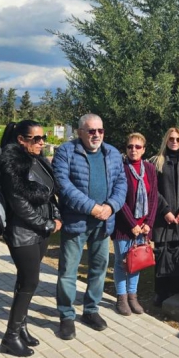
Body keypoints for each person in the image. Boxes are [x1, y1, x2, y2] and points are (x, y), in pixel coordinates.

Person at [53, 114, 127, 339]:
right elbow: (63, 185)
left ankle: (91, 310)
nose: (97, 135)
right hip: (77, 222)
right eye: (91, 131)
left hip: (103, 223)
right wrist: (92, 207)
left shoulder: (112, 153)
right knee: (68, 271)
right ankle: (66, 315)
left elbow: (121, 183)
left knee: (99, 268)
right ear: (80, 132)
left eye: (100, 131)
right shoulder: (66, 152)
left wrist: (111, 206)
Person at [0, 121, 62, 357]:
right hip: (22, 232)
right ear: (21, 140)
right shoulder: (12, 163)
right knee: (31, 281)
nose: (42, 142)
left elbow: (49, 195)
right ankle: (10, 336)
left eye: (43, 137)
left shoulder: (39, 160)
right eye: (36, 138)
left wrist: (55, 216)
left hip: (41, 232)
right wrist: (46, 224)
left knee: (24, 281)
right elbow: (20, 205)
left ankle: (21, 328)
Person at [112, 133, 163, 315]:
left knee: (137, 261)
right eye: (130, 146)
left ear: (144, 149)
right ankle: (122, 298)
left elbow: (154, 197)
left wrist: (148, 223)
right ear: (125, 149)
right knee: (121, 262)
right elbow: (118, 199)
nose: (133, 149)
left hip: (143, 227)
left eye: (137, 147)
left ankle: (133, 297)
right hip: (124, 225)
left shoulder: (149, 168)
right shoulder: (120, 168)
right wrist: (132, 223)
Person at [151, 128, 179, 306]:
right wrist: (166, 211)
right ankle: (161, 292)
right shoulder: (157, 161)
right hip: (164, 217)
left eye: (178, 139)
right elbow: (154, 190)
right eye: (171, 139)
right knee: (162, 253)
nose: (175, 142)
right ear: (166, 140)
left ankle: (176, 290)